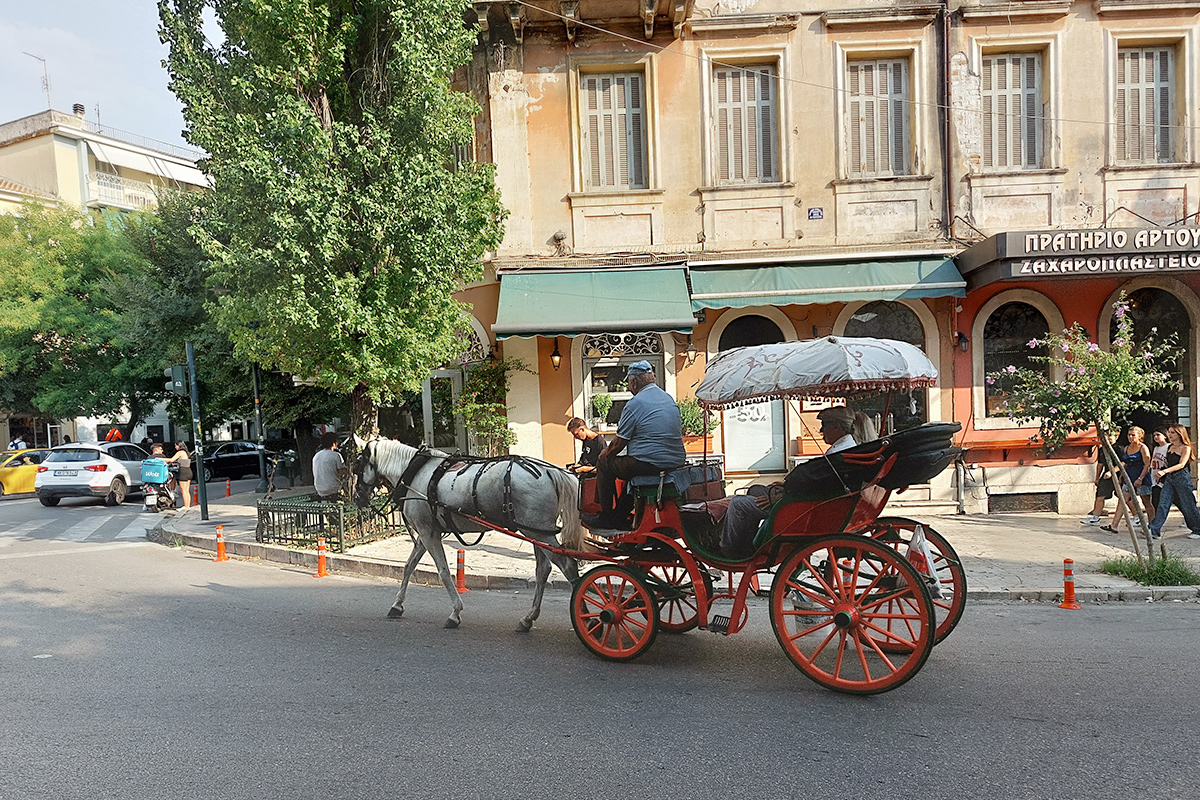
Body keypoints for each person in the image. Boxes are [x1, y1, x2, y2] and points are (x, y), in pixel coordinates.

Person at [718, 405, 873, 558]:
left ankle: (732, 550)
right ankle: (750, 541)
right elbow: (821, 483)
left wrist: (781, 498)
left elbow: (821, 487)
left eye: (824, 426)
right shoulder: (848, 448)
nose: (820, 431)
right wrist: (786, 487)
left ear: (836, 427)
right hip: (813, 502)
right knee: (756, 490)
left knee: (738, 503)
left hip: (806, 508)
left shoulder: (840, 453)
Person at [585, 361, 686, 530]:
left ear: (633, 383)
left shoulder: (635, 404)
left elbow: (618, 442)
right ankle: (620, 515)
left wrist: (605, 455)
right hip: (675, 461)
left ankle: (607, 517)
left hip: (649, 463)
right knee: (627, 468)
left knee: (604, 462)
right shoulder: (668, 399)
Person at [1148, 424, 1200, 540]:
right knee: (1163, 503)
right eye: (1169, 432)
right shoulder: (1170, 447)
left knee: (1188, 504)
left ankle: (1197, 528)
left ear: (1179, 434)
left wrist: (1165, 471)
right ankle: (1154, 529)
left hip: (1182, 478)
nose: (1170, 435)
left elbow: (1181, 464)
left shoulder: (1186, 447)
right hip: (1169, 478)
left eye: (1172, 433)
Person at [1100, 426, 1153, 534]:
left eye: (1133, 435)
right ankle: (1114, 525)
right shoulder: (1127, 448)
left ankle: (1152, 525)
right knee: (1122, 499)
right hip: (1129, 477)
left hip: (1141, 476)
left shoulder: (1143, 448)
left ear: (1140, 436)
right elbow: (1124, 463)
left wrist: (1140, 478)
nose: (1130, 437)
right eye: (1129, 435)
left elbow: (1147, 464)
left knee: (1146, 501)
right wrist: (1119, 476)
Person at [1081, 431, 1121, 525]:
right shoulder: (1103, 449)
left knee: (1125, 497)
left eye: (1110, 436)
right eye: (1105, 436)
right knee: (1100, 496)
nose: (1107, 438)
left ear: (1116, 436)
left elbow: (1123, 463)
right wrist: (1097, 477)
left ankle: (1136, 516)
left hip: (1119, 475)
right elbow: (1100, 464)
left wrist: (1112, 472)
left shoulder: (1119, 448)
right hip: (1106, 476)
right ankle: (1096, 517)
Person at [313, 433, 348, 500]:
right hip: (333, 489)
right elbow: (343, 472)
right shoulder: (336, 455)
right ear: (334, 444)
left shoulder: (316, 455)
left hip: (319, 489)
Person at [166, 441, 193, 509]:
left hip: (183, 472)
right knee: (186, 490)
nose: (175, 447)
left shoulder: (180, 452)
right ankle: (188, 505)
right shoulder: (186, 453)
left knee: (183, 490)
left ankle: (186, 506)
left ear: (179, 445)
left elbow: (171, 459)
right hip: (188, 471)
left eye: (176, 446)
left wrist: (160, 459)